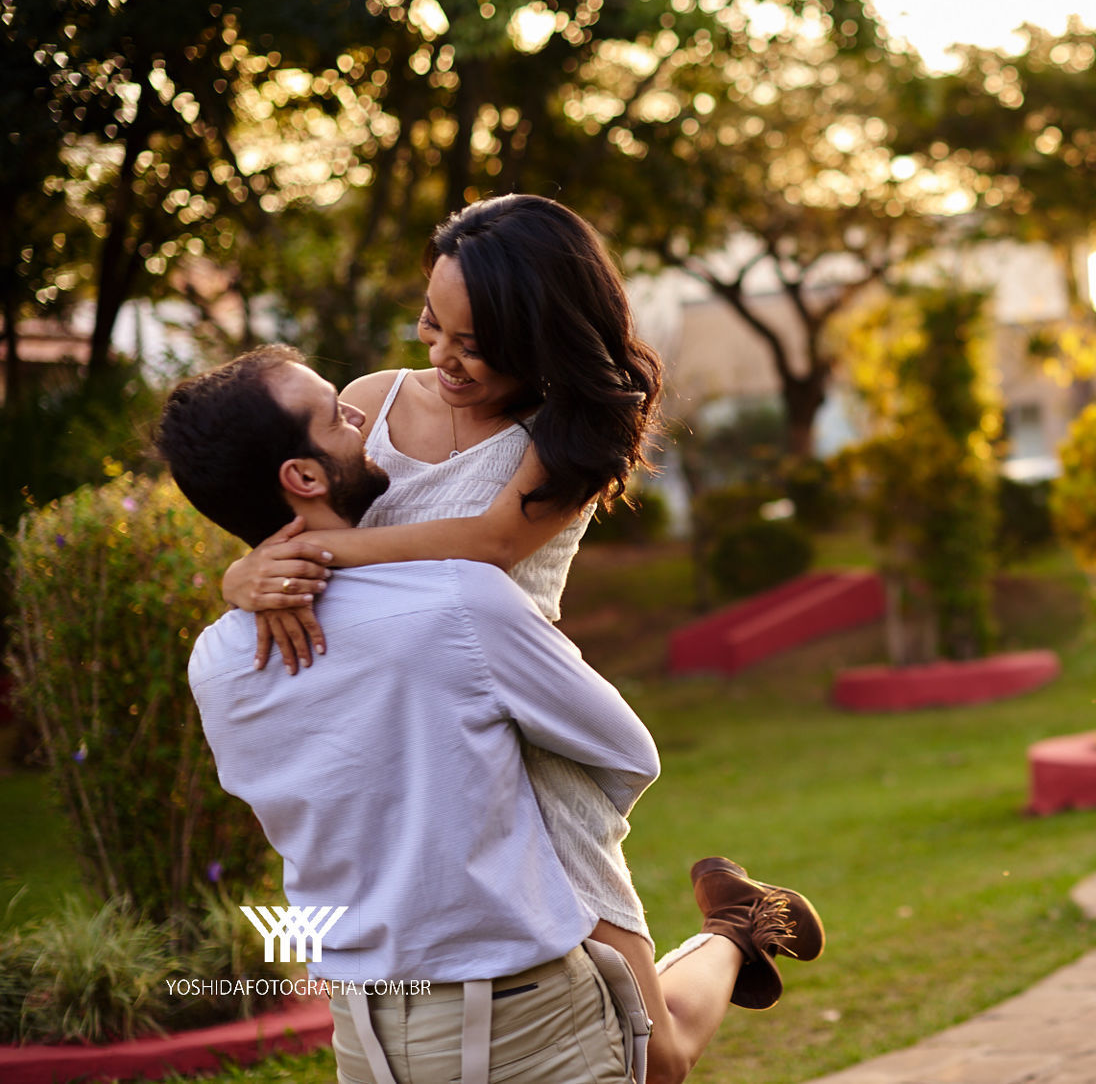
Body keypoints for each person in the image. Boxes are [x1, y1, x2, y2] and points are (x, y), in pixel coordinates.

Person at [217, 196, 820, 1037]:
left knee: (654, 1055)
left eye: (478, 346)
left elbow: (488, 543)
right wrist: (246, 574)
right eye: (433, 330)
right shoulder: (370, 401)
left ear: (545, 336)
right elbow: (304, 520)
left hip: (530, 736)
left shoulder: (568, 434)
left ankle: (733, 932)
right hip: (429, 744)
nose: (447, 361)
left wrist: (302, 559)